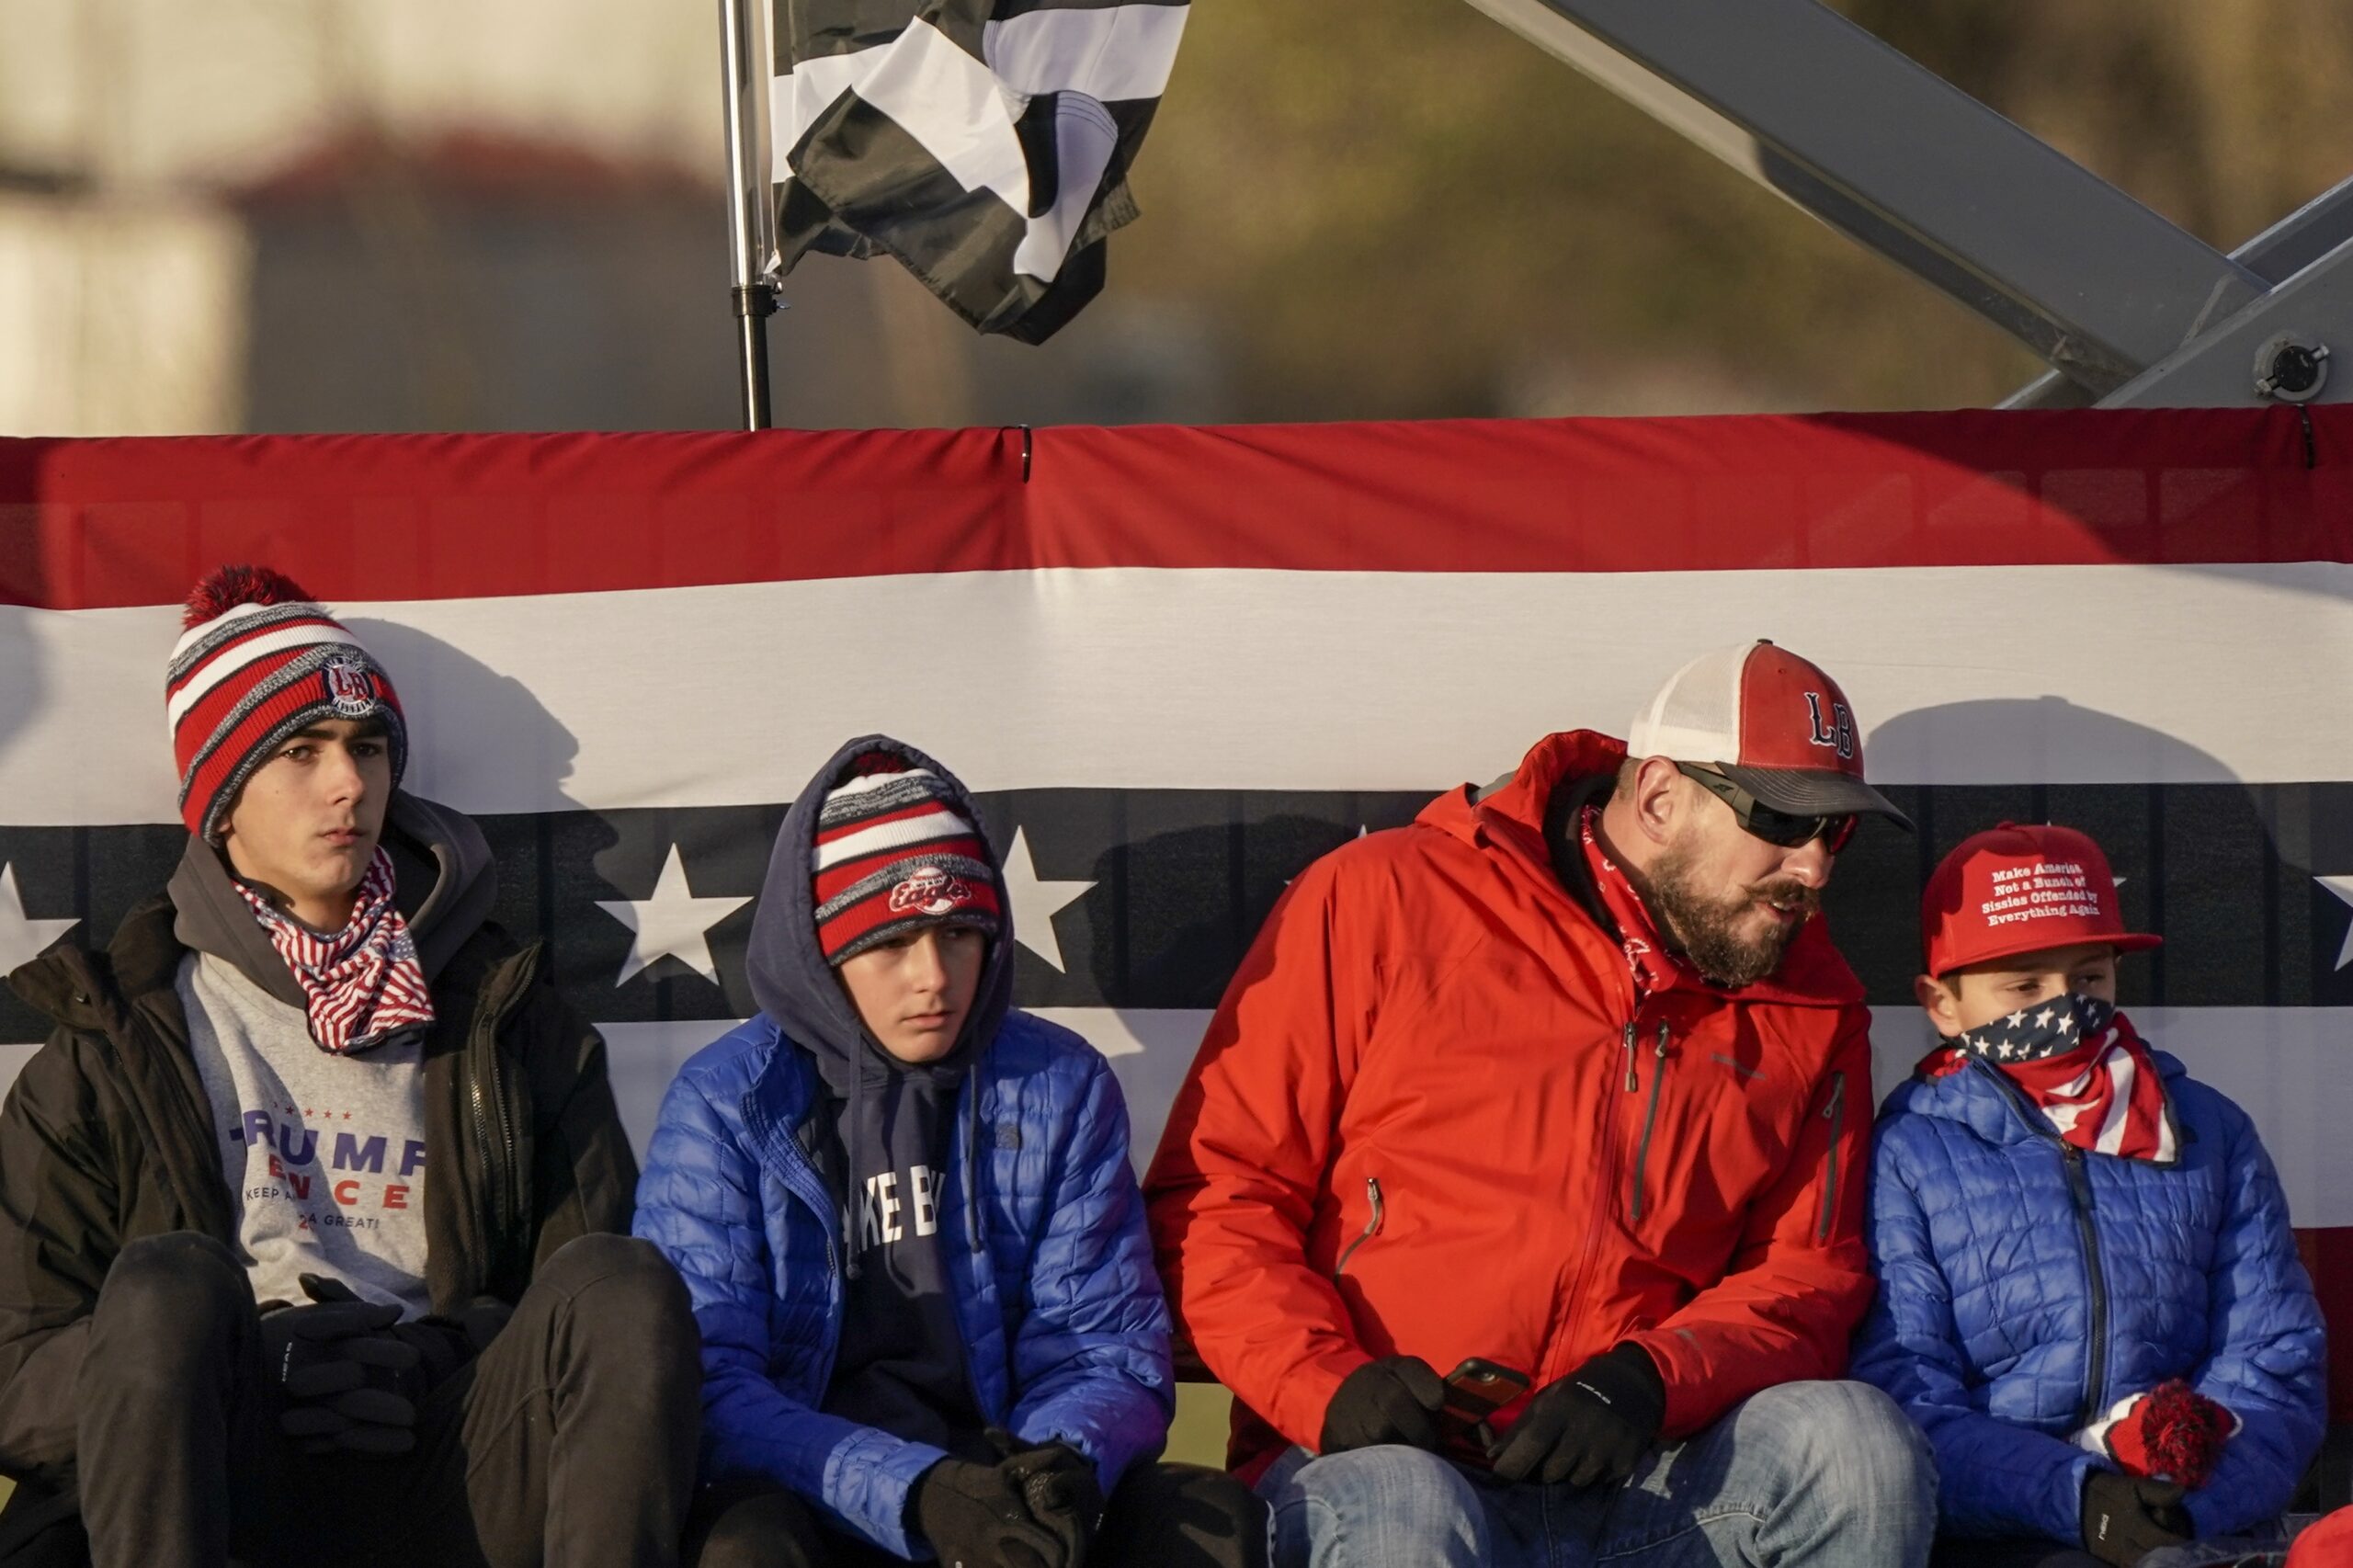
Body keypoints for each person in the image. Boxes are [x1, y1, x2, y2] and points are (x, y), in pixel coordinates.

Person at [1145, 640, 1938, 1568]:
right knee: (1403, 1502)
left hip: (1642, 1471)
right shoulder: (1385, 895)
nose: (1811, 868)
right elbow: (1217, 1194)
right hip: (1380, 1461)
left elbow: (1806, 1275)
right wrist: (1330, 1386)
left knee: (1854, 1444)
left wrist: (1648, 1381)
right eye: (1781, 820)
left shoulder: (1816, 999)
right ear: (1657, 797)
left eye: (1833, 832)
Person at [0, 565, 700, 1568]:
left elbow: (584, 1318)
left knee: (623, 1282)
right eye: (302, 750)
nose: (350, 784)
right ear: (222, 797)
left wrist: (437, 1352)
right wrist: (250, 1359)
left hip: (446, 1455)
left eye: (367, 749)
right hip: (218, 1470)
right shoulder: (112, 1034)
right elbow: (15, 1366)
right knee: (169, 1284)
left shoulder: (509, 1018)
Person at [633, 735, 1267, 1568]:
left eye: (960, 934)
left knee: (1206, 1520)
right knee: (746, 1547)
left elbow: (1102, 1346)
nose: (933, 975)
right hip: (815, 1493)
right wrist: (917, 1492)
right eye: (891, 944)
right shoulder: (726, 1100)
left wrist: (1055, 1466)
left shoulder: (1060, 1084)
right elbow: (710, 1388)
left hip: (1000, 1477)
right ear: (822, 951)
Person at [1851, 823, 2327, 1568]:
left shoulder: (2211, 1130)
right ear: (1941, 1004)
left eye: (2089, 978)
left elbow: (2274, 1361)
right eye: (2024, 986)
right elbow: (1902, 1396)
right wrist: (2075, 1497)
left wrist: (2183, 1503)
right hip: (1996, 1536)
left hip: (2195, 1530)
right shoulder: (1906, 1153)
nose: (2065, 1006)